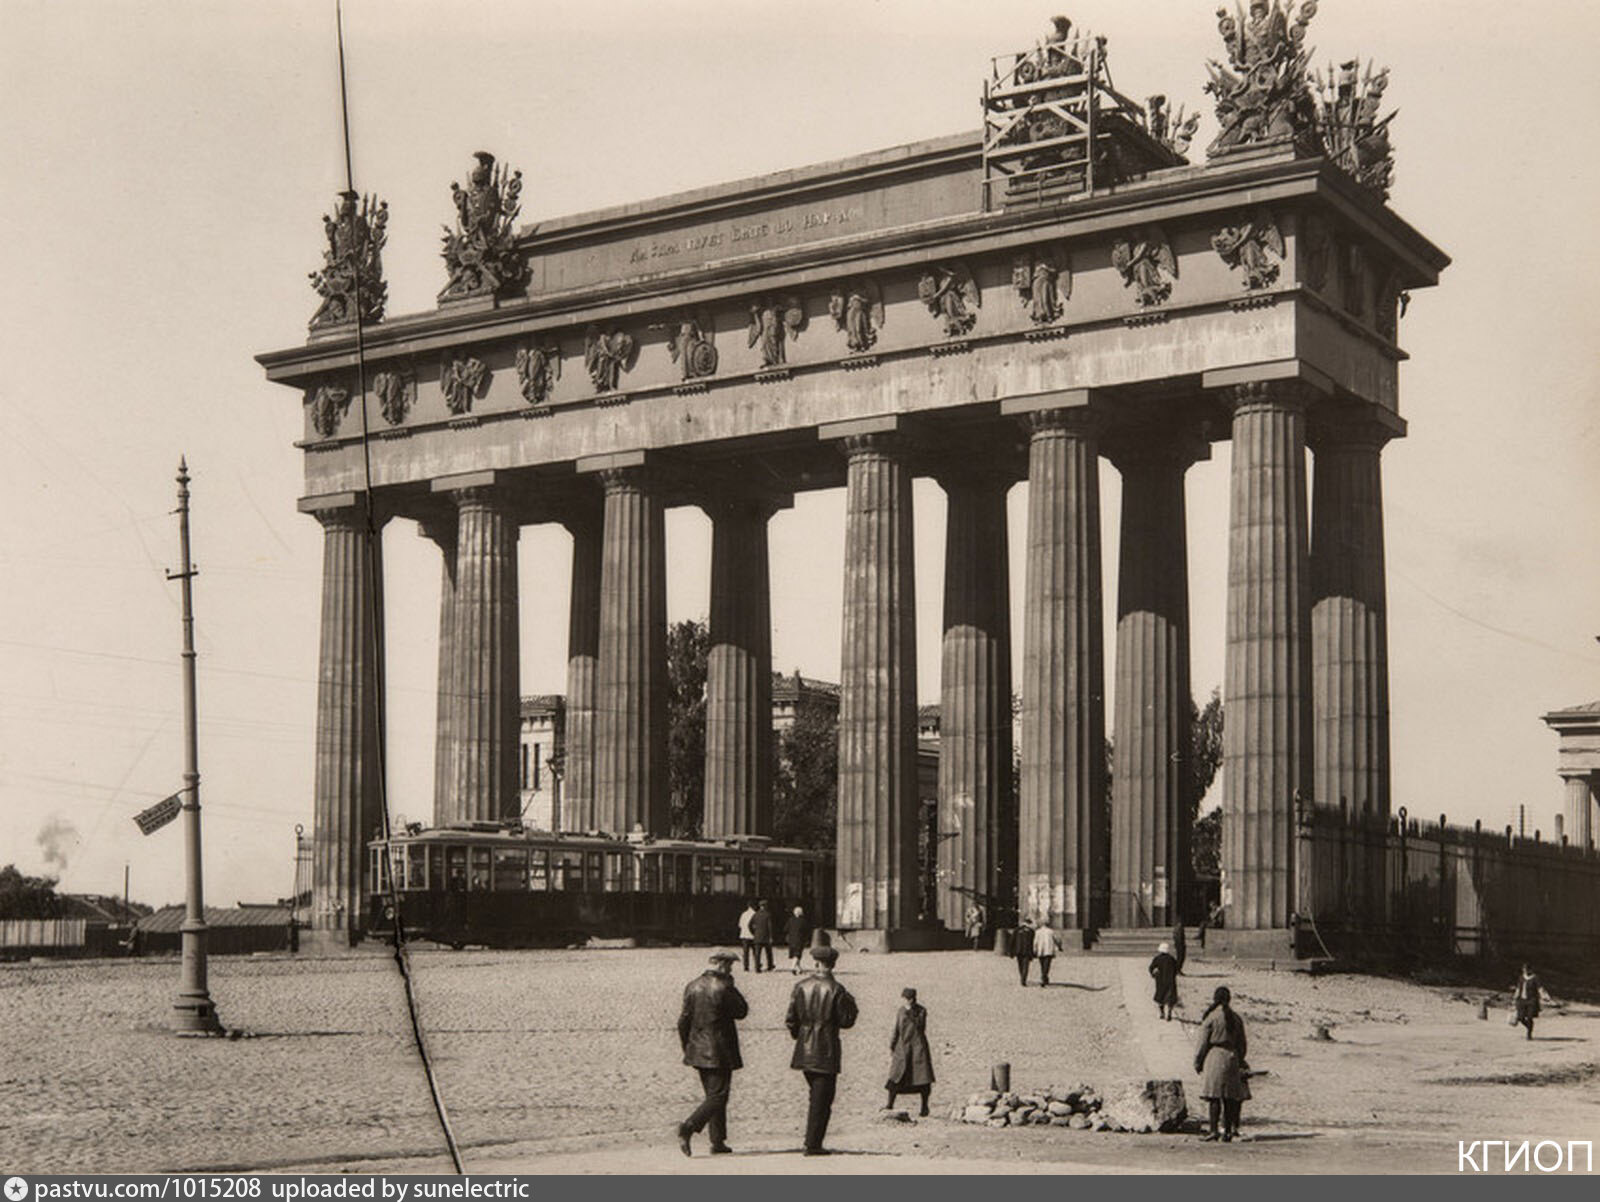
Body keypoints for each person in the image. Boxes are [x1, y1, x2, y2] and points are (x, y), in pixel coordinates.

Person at [785, 944, 858, 1156]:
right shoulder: (837, 990)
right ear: (832, 965)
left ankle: (812, 1141)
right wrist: (852, 1007)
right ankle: (813, 1143)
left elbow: (791, 1019)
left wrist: (800, 1037)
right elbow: (846, 1021)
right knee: (822, 1099)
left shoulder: (801, 986)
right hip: (826, 1049)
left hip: (804, 1049)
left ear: (815, 963)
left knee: (815, 1095)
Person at [676, 951, 748, 1157]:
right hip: (719, 1048)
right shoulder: (724, 987)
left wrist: (688, 1047)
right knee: (719, 1095)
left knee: (712, 1094)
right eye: (730, 966)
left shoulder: (692, 985)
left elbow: (683, 1021)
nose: (731, 969)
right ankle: (689, 1126)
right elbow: (742, 1011)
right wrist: (733, 987)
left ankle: (718, 1140)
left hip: (697, 1048)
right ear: (722, 965)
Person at [1194, 986, 1250, 1142]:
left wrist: (1198, 1061)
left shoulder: (1211, 1018)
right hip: (1232, 1057)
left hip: (1215, 1056)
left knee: (1214, 1096)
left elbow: (1202, 1043)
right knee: (1229, 1097)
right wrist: (1239, 1058)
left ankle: (1213, 1131)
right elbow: (1243, 1044)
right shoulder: (1236, 1018)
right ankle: (1228, 1131)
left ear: (1215, 999)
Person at [884, 987, 935, 1116]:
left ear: (912, 999)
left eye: (907, 999)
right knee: (895, 1077)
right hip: (902, 1048)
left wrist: (911, 1012)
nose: (905, 1001)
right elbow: (896, 1028)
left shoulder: (921, 1011)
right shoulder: (901, 1011)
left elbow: (920, 1026)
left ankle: (924, 1107)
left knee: (923, 1079)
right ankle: (889, 1104)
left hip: (918, 1049)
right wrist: (892, 1045)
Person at [1511, 964, 1546, 1040]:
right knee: (1520, 1017)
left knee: (1530, 1017)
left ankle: (1529, 1034)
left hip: (1531, 1000)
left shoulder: (1535, 978)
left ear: (1530, 970)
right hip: (1521, 1000)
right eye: (1524, 969)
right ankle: (1529, 1027)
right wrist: (1515, 998)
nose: (1525, 971)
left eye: (1527, 969)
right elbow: (1518, 988)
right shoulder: (1521, 978)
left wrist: (1544, 997)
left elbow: (1540, 988)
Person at [1149, 942, 1181, 1021]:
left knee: (1160, 997)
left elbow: (1151, 968)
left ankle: (1162, 1013)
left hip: (1160, 981)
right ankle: (1169, 1012)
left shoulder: (1157, 958)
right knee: (1170, 998)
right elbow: (1177, 968)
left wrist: (1153, 975)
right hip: (1170, 981)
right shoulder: (1171, 959)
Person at [1033, 917, 1062, 986]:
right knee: (1047, 965)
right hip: (1048, 950)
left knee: (1042, 964)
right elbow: (1056, 940)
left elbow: (1035, 942)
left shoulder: (1038, 932)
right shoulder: (1051, 931)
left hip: (1041, 950)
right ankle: (1044, 977)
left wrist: (1035, 949)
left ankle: (1044, 977)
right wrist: (1059, 946)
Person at [751, 900, 775, 972]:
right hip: (766, 937)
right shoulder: (768, 915)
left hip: (757, 936)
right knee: (769, 952)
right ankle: (770, 966)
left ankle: (757, 968)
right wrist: (771, 936)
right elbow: (770, 927)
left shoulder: (755, 915)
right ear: (765, 906)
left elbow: (749, 925)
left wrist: (754, 932)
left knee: (757, 953)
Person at [1012, 916, 1036, 987]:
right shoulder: (1031, 931)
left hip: (1018, 950)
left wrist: (1011, 952)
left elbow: (1012, 941)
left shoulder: (1017, 930)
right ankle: (1023, 979)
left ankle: (1022, 977)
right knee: (1026, 966)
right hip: (1027, 951)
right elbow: (1033, 942)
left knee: (1020, 965)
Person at [785, 906, 809, 974]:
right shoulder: (803, 921)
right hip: (800, 940)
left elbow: (785, 929)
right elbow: (806, 931)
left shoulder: (790, 920)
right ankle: (792, 967)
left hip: (791, 940)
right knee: (797, 955)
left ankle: (800, 969)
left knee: (795, 955)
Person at [736, 901, 757, 972]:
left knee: (745, 952)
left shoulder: (743, 914)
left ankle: (746, 966)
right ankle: (757, 965)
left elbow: (740, 925)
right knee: (755, 952)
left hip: (744, 935)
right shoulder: (755, 914)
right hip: (753, 935)